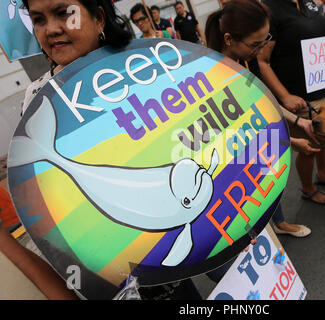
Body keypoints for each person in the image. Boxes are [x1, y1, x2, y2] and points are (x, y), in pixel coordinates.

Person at [5, 0, 200, 300]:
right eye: (39, 19)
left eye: (63, 13)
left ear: (98, 19)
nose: (52, 29)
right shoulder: (38, 101)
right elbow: (55, 202)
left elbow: (192, 140)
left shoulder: (144, 64)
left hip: (185, 248)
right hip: (122, 276)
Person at [206, 0, 312, 238]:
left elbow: (260, 101)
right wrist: (293, 141)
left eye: (266, 39)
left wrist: (298, 122)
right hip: (232, 153)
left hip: (258, 145)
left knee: (267, 183)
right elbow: (243, 130)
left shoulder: (244, 59)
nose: (262, 48)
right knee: (247, 204)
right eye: (256, 43)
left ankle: (279, 224)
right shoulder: (215, 75)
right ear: (229, 39)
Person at [258, 0, 325, 205]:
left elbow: (320, 35)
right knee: (310, 148)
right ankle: (308, 188)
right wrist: (285, 96)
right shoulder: (271, 10)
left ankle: (323, 174)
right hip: (302, 98)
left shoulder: (310, 3)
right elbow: (262, 60)